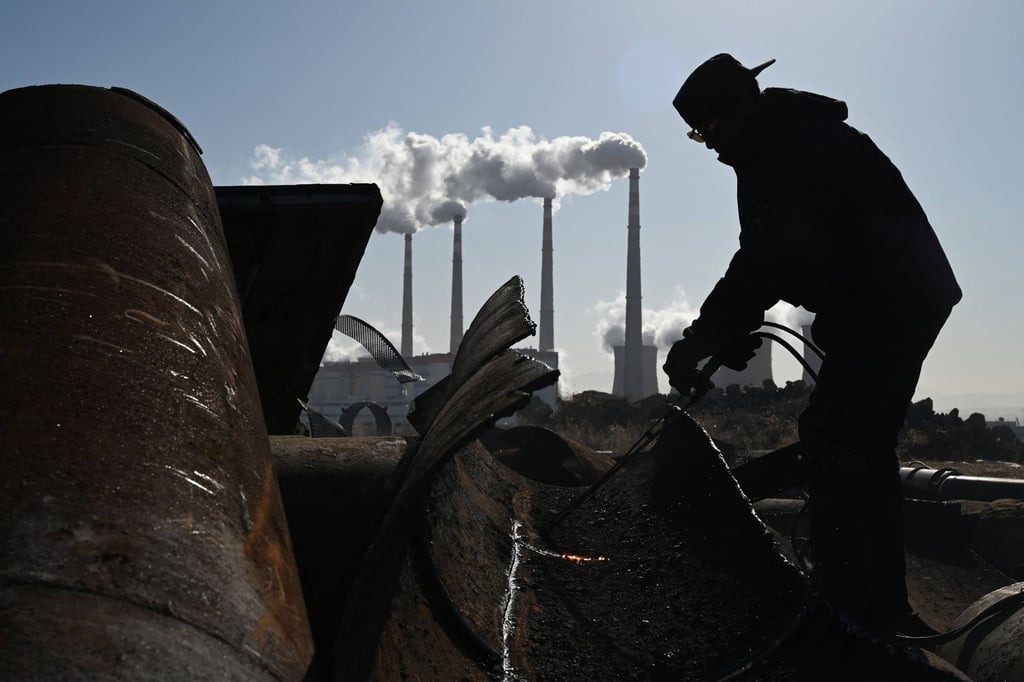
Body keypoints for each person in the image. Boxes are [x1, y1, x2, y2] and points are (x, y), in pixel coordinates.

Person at [663, 54, 962, 639]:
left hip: (891, 300)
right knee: (864, 443)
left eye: (711, 132)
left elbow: (767, 257)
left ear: (742, 107)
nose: (709, 148)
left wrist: (703, 339)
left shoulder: (783, 149)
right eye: (697, 136)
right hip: (898, 297)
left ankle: (846, 610)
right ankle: (881, 606)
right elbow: (779, 258)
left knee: (834, 435)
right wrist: (723, 334)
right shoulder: (785, 138)